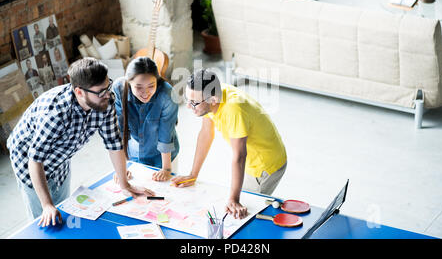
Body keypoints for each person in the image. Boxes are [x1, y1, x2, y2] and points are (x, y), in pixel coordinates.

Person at [7, 57, 154, 227]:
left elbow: (114, 144)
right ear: (79, 92)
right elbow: (35, 159)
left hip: (61, 156)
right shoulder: (55, 114)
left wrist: (125, 183)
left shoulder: (105, 100)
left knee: (61, 211)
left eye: (108, 86)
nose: (108, 94)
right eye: (100, 91)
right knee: (45, 220)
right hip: (28, 160)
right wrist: (47, 205)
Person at [172, 69, 287, 219]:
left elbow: (239, 156)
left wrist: (234, 199)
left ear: (212, 100)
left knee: (243, 214)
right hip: (251, 159)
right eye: (188, 100)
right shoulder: (212, 97)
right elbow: (206, 134)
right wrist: (193, 175)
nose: (188, 107)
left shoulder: (233, 109)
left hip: (265, 165)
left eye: (193, 103)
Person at [112, 57, 179, 182]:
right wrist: (121, 167)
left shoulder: (167, 94)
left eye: (151, 86)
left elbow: (165, 134)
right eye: (139, 87)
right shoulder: (119, 89)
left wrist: (166, 169)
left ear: (157, 81)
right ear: (129, 82)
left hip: (164, 156)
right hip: (133, 154)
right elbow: (119, 131)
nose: (145, 93)